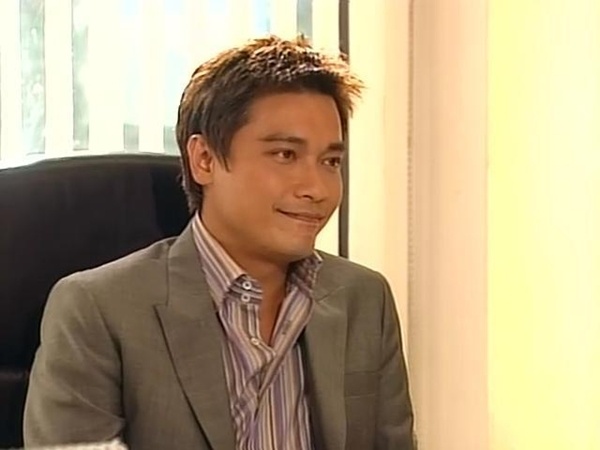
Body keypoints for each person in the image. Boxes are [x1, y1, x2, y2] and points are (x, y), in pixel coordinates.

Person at [24, 35, 414, 450]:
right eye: (285, 155)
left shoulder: (363, 298)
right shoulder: (98, 309)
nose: (317, 188)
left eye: (330, 161)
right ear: (204, 160)